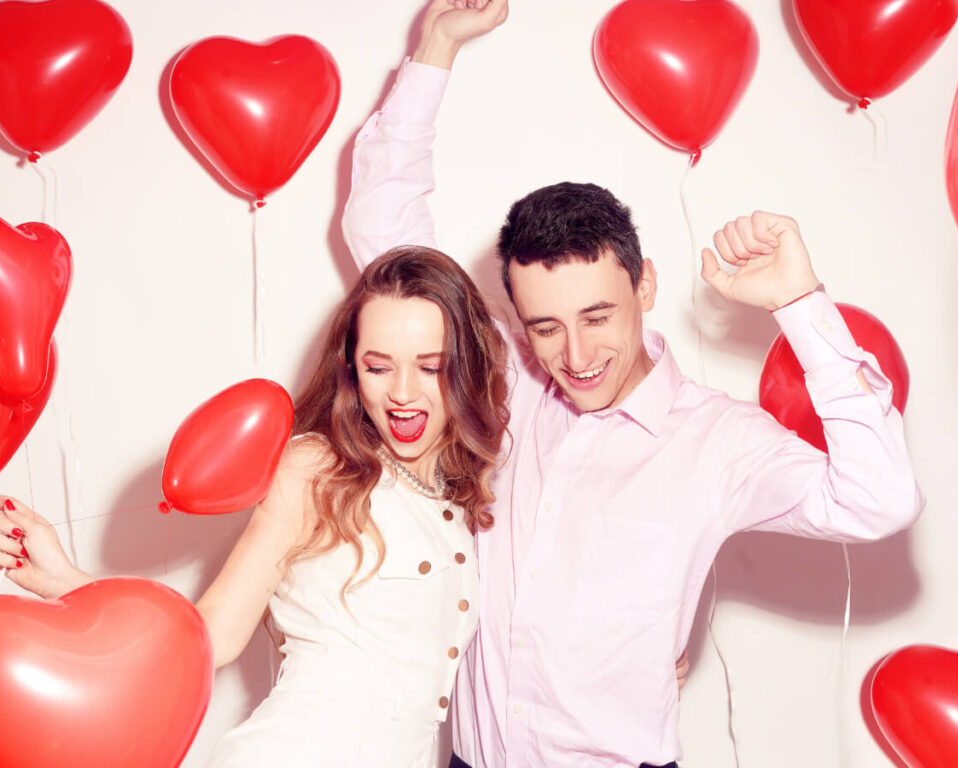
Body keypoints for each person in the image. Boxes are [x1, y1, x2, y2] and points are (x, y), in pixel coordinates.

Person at [341, 2, 925, 767]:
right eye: (545, 327)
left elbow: (879, 499)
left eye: (598, 316)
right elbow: (382, 227)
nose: (576, 354)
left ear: (645, 284)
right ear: (516, 319)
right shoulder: (506, 376)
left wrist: (800, 303)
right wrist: (438, 45)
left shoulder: (717, 441)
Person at [0, 245, 510, 767]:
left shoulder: (457, 500)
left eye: (430, 367)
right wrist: (71, 586)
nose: (401, 392)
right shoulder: (316, 467)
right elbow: (208, 632)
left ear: (464, 369)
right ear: (351, 367)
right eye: (378, 366)